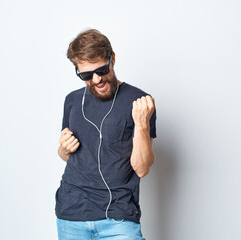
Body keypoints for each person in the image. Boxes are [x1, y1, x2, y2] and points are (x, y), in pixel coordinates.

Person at [55, 29, 156, 240]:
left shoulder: (140, 102)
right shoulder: (72, 101)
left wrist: (142, 124)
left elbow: (142, 168)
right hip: (70, 215)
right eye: (86, 75)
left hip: (117, 218)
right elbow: (68, 157)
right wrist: (63, 149)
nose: (97, 79)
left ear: (113, 59)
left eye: (102, 69)